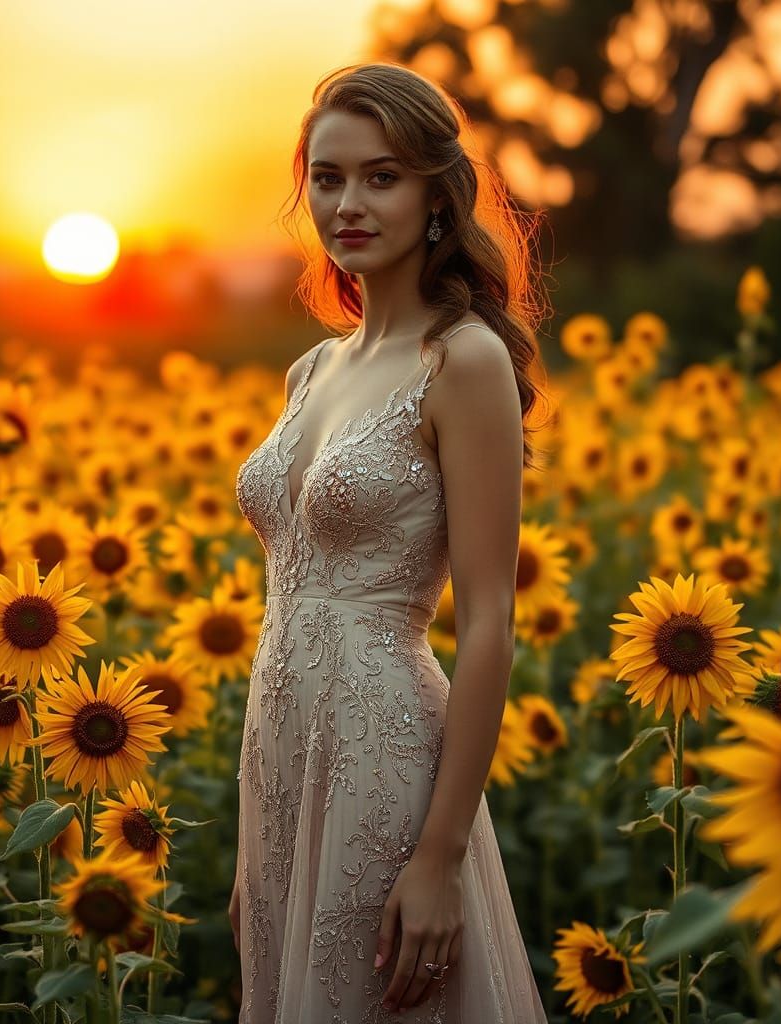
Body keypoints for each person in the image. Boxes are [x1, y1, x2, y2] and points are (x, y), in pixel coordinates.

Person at [231, 60, 552, 1022]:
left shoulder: (466, 359)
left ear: (436, 196)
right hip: (280, 747)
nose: (349, 203)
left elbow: (490, 618)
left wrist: (442, 853)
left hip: (386, 752)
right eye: (328, 178)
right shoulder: (310, 370)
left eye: (382, 176)